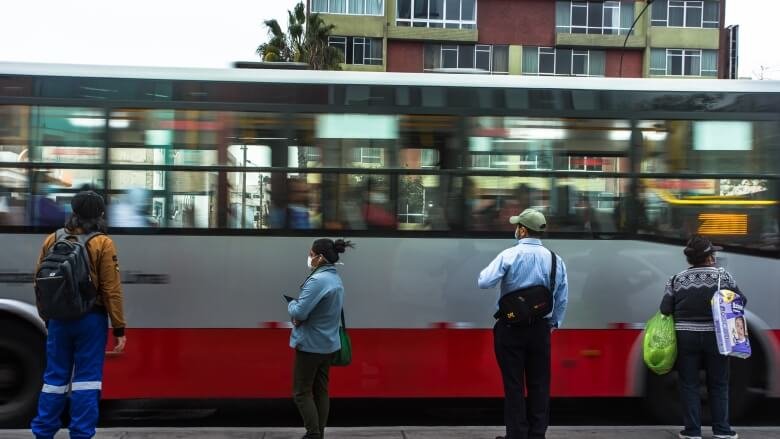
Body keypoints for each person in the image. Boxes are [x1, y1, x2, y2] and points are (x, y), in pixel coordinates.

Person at [31, 190, 127, 439]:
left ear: (73, 213)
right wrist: (119, 328)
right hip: (90, 319)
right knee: (87, 379)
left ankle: (42, 432)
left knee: (54, 379)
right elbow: (111, 289)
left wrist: (47, 318)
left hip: (58, 320)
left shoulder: (52, 239)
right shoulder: (102, 243)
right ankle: (81, 434)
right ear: (100, 215)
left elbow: (39, 281)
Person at [478, 209, 568, 439]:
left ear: (523, 230)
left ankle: (516, 434)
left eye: (517, 225)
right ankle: (537, 434)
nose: (515, 229)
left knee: (514, 384)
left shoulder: (509, 255)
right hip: (540, 329)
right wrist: (552, 324)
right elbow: (561, 297)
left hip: (510, 328)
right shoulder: (556, 260)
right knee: (540, 384)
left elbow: (484, 281)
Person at [659, 235, 743, 439]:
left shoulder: (677, 278)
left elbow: (665, 308)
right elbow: (741, 301)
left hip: (686, 337)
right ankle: (722, 431)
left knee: (688, 384)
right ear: (709, 257)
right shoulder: (723, 277)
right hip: (717, 337)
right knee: (719, 383)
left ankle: (692, 431)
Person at [288, 238, 353, 439]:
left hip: (310, 345)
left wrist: (291, 305)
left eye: (311, 254)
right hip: (328, 345)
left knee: (301, 391)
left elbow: (299, 312)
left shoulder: (317, 281)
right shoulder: (335, 278)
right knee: (321, 391)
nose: (309, 257)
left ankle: (313, 434)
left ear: (320, 257)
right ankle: (319, 433)